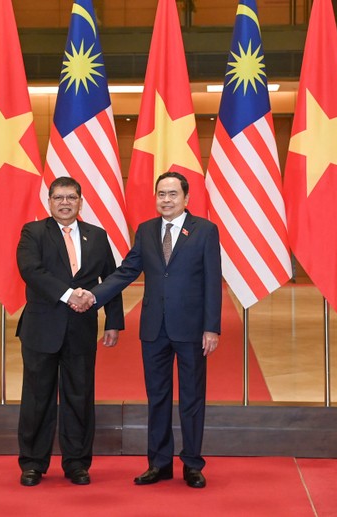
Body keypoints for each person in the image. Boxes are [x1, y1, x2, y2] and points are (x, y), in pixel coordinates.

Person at [79, 171, 222, 489]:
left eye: (173, 194)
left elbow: (213, 280)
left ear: (186, 198)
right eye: (161, 194)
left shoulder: (205, 231)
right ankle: (159, 463)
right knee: (157, 397)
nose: (166, 200)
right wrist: (94, 295)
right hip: (154, 329)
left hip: (191, 329)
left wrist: (212, 328)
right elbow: (126, 271)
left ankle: (192, 464)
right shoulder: (145, 231)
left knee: (191, 398)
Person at [15, 176, 124, 487]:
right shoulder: (33, 233)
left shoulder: (97, 236)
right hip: (41, 329)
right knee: (38, 398)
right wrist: (69, 295)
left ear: (80, 201)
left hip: (81, 331)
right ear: (49, 202)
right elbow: (31, 271)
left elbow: (111, 280)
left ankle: (77, 463)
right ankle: (33, 463)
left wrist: (113, 320)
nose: (65, 203)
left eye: (71, 197)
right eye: (58, 197)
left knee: (79, 396)